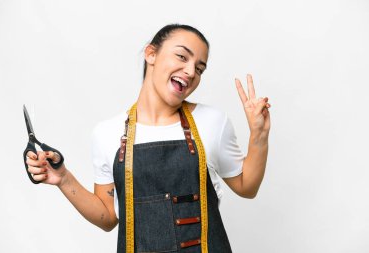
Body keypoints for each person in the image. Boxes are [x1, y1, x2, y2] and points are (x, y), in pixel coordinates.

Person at [25, 24, 271, 252]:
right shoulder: (107, 133)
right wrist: (63, 178)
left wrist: (259, 135)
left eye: (199, 68)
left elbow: (247, 187)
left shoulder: (212, 122)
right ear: (151, 54)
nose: (190, 71)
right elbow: (108, 217)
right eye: (182, 57)